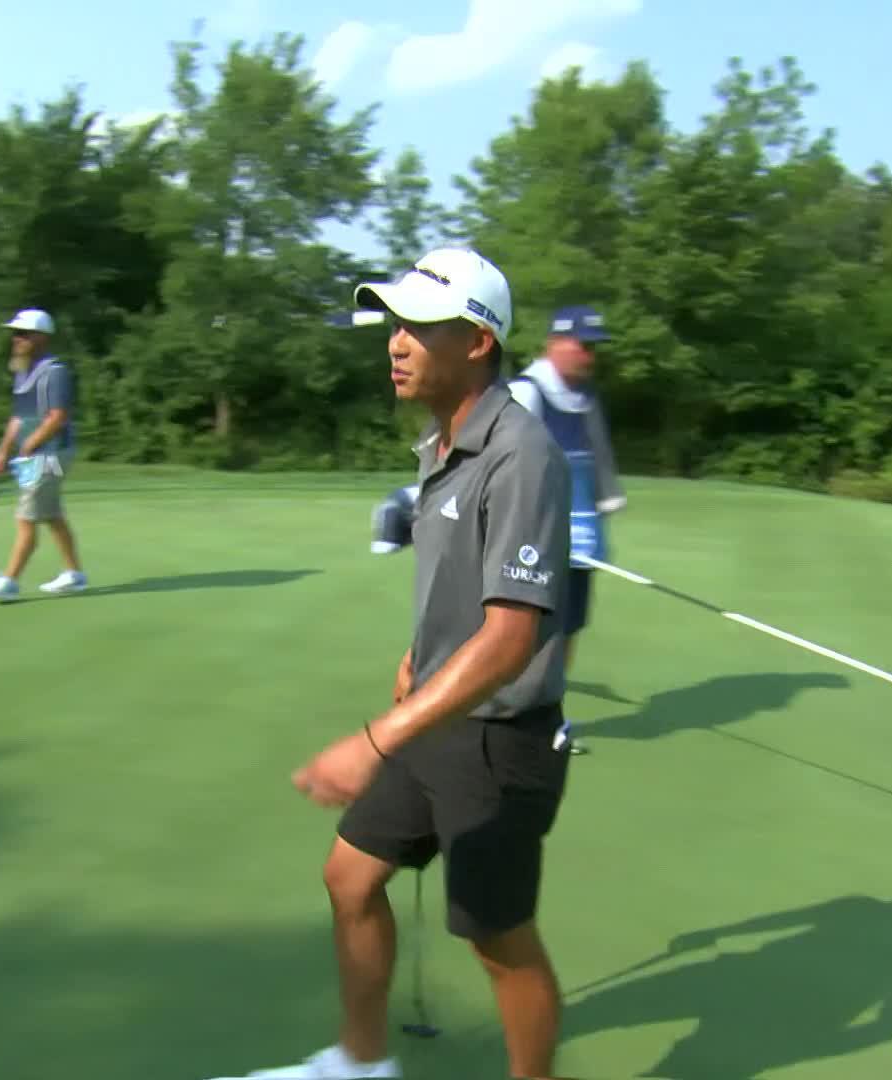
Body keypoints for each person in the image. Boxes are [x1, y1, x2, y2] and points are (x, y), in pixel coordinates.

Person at [211, 247, 574, 1080]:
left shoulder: (521, 453)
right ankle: (361, 1063)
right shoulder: (439, 446)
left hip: (500, 740)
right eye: (396, 325)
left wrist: (375, 740)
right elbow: (459, 587)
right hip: (440, 721)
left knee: (497, 940)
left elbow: (512, 637)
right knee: (349, 879)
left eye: (419, 327)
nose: (397, 342)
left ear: (477, 340)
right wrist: (419, 651)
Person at [507, 306, 627, 754]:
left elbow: (597, 463)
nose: (589, 354)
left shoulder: (586, 397)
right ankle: (516, 717)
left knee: (567, 630)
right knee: (529, 631)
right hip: (535, 544)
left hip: (582, 544)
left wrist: (601, 515)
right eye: (582, 344)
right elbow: (506, 467)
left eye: (594, 346)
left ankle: (545, 715)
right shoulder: (528, 392)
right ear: (555, 342)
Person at [0, 308, 88, 601]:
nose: (16, 339)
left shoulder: (55, 372)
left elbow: (58, 416)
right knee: (51, 514)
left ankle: (9, 582)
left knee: (27, 516)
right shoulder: (23, 372)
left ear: (40, 337)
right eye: (15, 334)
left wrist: (30, 443)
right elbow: (19, 417)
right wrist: (3, 448)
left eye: (22, 334)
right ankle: (74, 575)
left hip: (51, 452)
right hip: (36, 453)